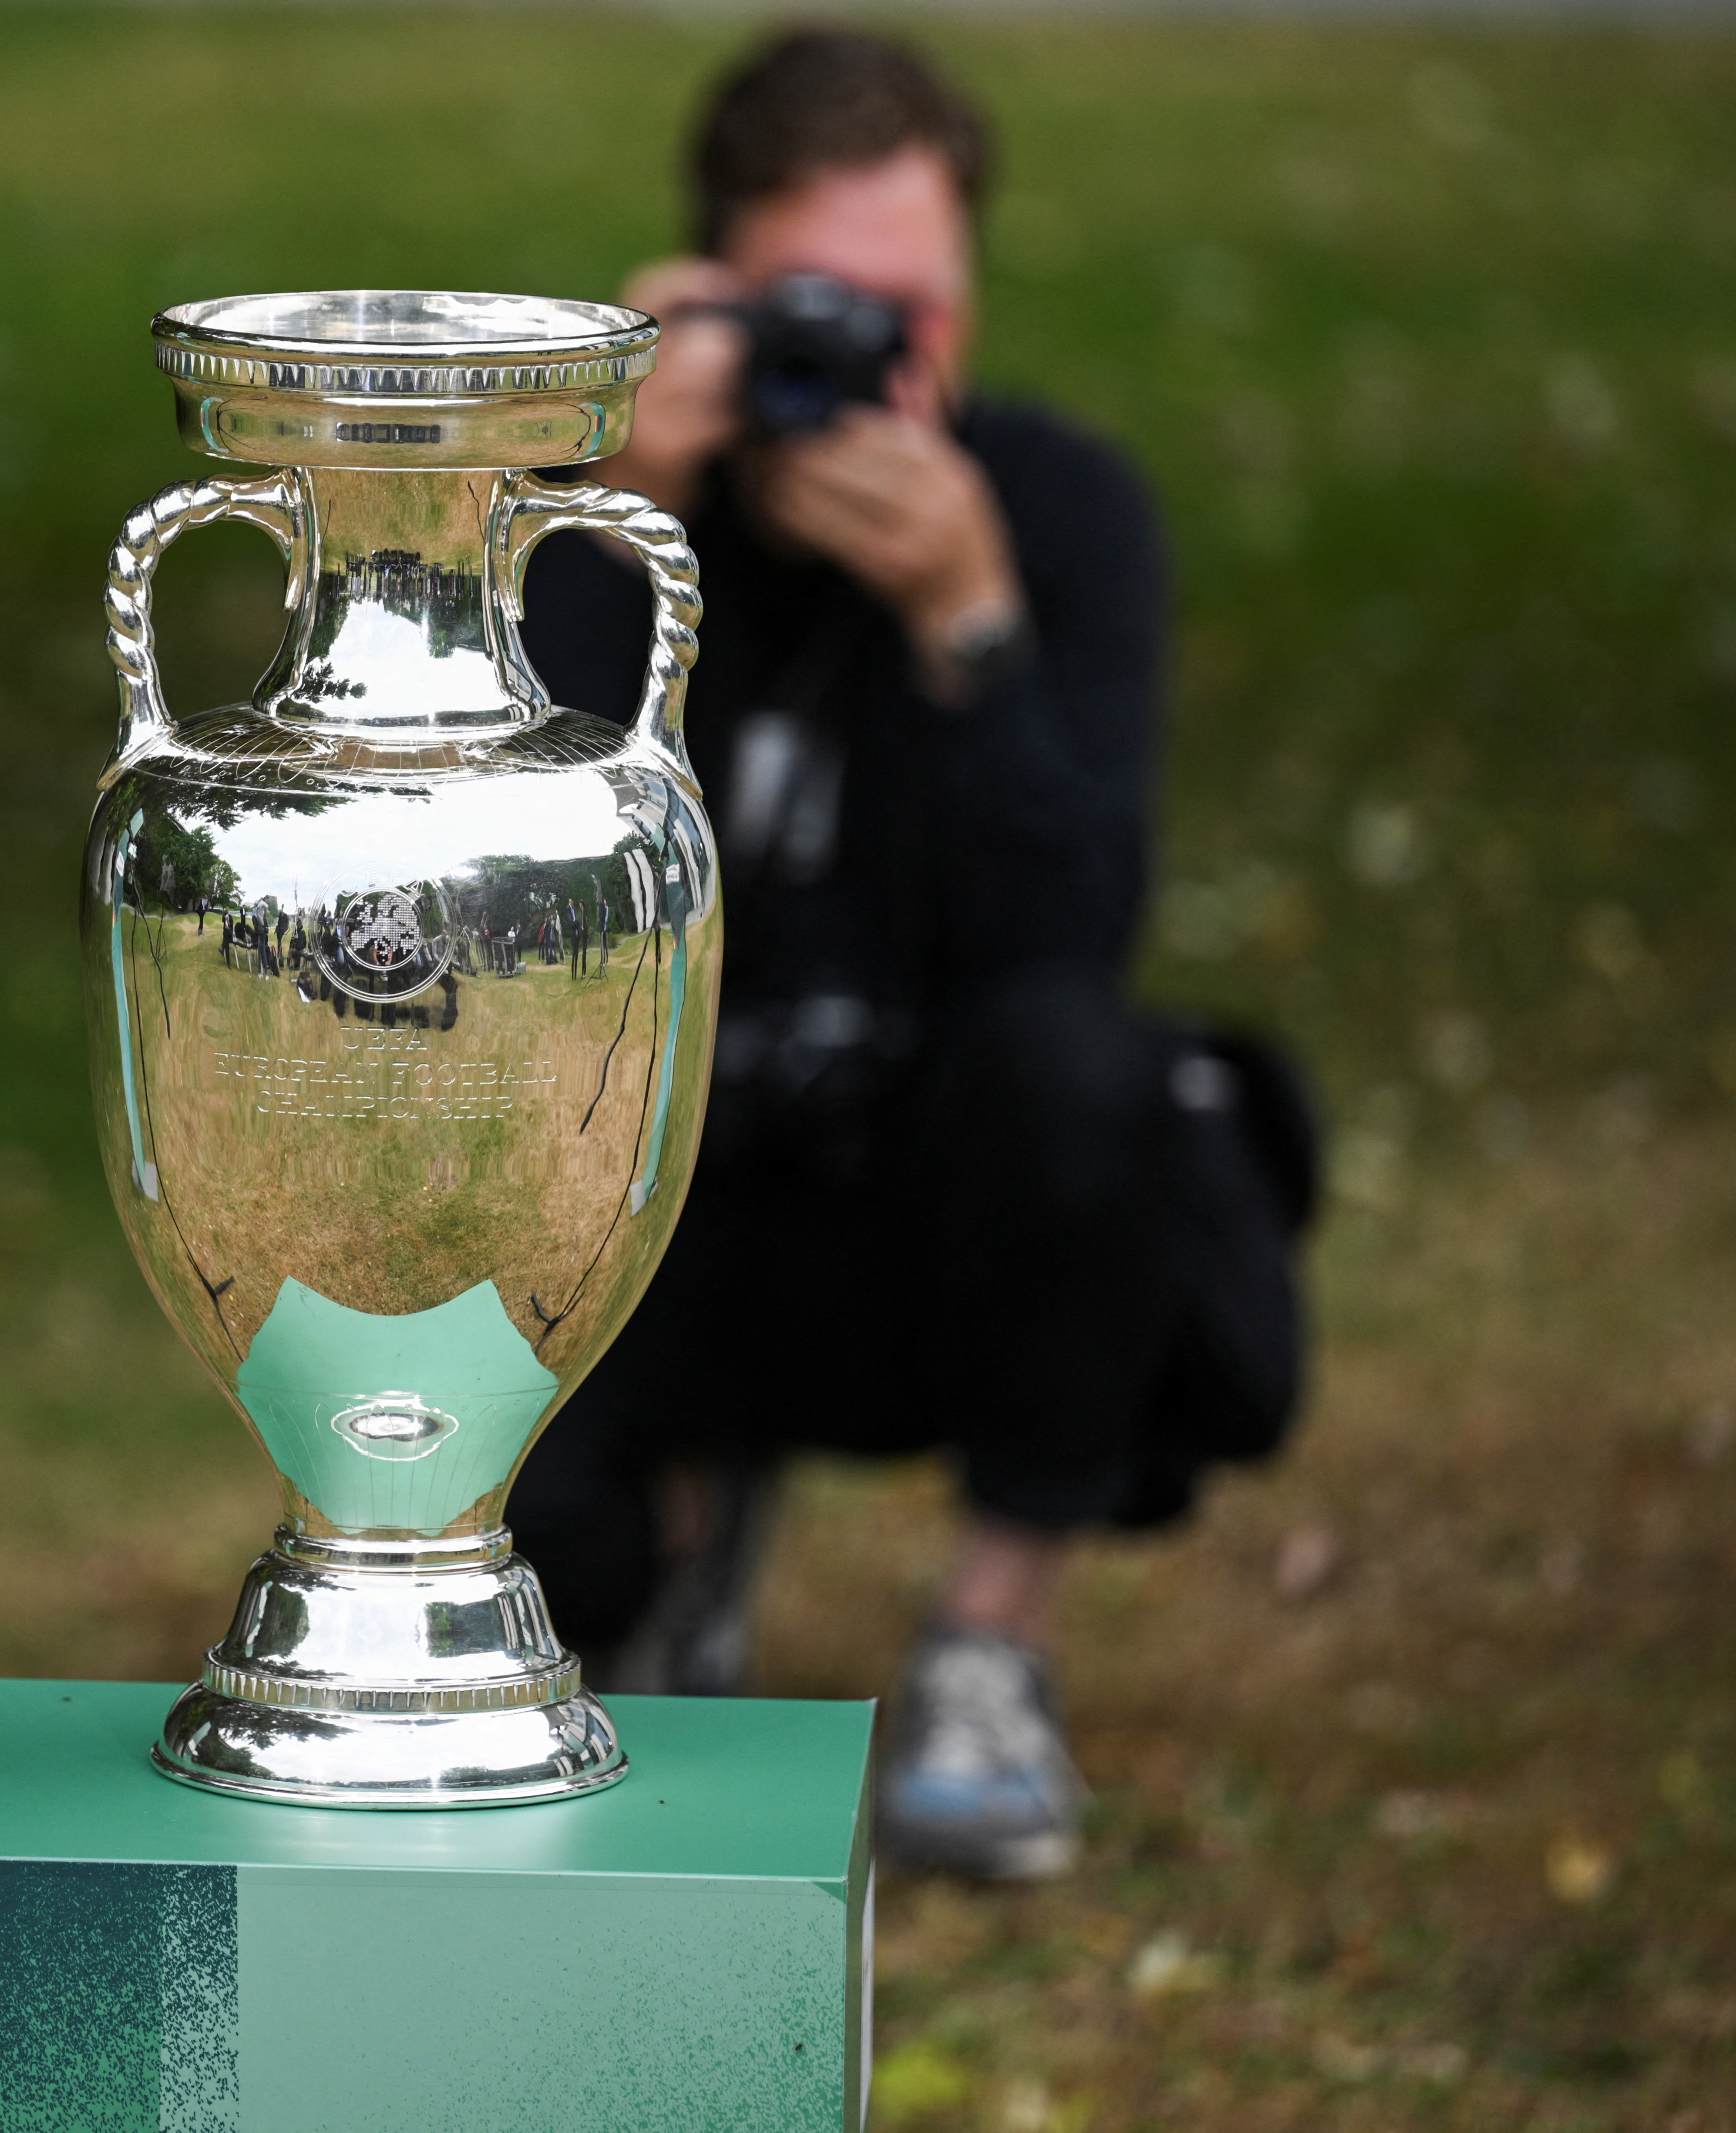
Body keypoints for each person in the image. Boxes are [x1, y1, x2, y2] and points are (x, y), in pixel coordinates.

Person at [511, 26, 1320, 1884]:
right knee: (553, 1570)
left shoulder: (1054, 513)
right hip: (660, 1210)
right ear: (710, 297)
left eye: (920, 316)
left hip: (942, 1217)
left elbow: (1069, 944)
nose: (877, 373)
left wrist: (966, 624)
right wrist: (601, 510)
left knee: (1086, 1078)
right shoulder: (602, 513)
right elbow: (500, 933)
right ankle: (668, 1562)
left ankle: (989, 1646)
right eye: (825, 314)